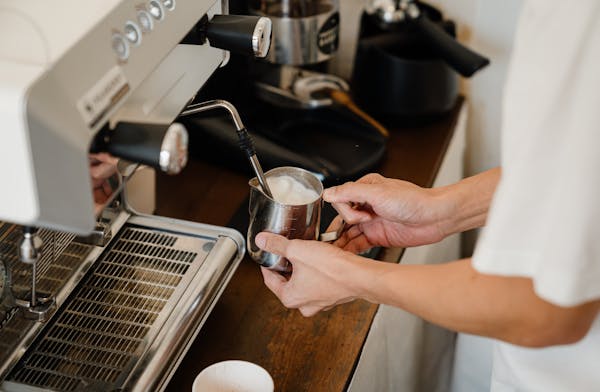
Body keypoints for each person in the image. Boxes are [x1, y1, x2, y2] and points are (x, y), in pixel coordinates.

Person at [256, 1, 600, 390]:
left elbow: (546, 308)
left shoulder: (580, 20)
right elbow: (576, 172)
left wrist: (353, 277)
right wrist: (441, 210)